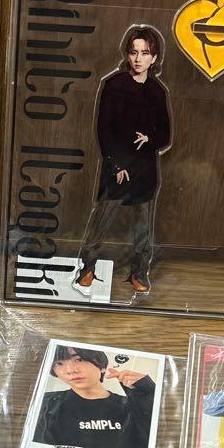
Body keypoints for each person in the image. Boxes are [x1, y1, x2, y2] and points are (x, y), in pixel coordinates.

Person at [74, 25, 171, 297]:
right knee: (100, 222)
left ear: (154, 58)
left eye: (145, 53)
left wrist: (149, 139)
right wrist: (117, 165)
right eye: (134, 52)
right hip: (116, 168)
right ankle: (87, 268)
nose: (138, 58)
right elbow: (104, 131)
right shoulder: (114, 86)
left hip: (145, 171)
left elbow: (165, 134)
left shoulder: (157, 92)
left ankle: (139, 273)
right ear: (127, 55)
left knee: (142, 228)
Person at [32, 345, 156, 448]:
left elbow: (150, 445)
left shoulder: (132, 405)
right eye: (59, 363)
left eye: (79, 359)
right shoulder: (46, 403)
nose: (70, 370)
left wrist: (148, 394)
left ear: (102, 366)